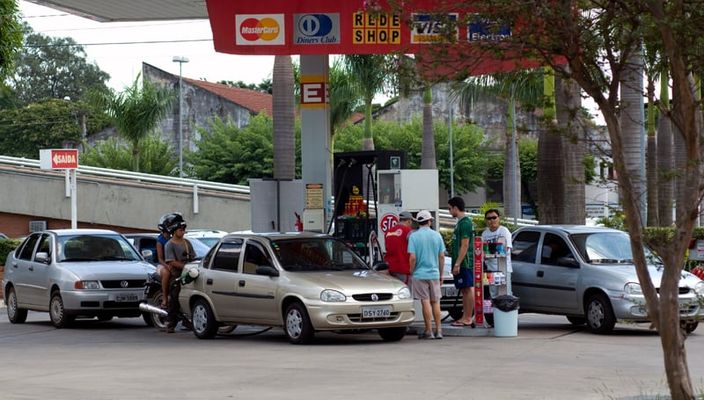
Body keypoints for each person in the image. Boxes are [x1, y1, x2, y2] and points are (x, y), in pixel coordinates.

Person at [408, 210, 445, 339]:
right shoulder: (437, 235)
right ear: (430, 221)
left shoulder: (413, 236)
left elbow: (412, 257)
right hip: (434, 273)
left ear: (418, 222)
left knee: (425, 301)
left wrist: (411, 271)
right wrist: (441, 274)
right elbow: (441, 256)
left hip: (419, 274)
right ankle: (439, 330)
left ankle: (428, 331)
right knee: (436, 302)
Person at [163, 214, 195, 333]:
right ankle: (170, 323)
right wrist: (186, 266)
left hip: (188, 274)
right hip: (176, 275)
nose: (183, 232)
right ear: (174, 231)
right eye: (181, 230)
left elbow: (193, 257)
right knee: (175, 297)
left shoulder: (187, 243)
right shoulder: (169, 245)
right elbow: (171, 261)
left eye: (184, 230)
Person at [448, 196, 475, 328]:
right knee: (464, 290)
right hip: (460, 263)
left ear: (455, 208)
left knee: (467, 289)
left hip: (465, 263)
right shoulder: (460, 222)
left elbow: (465, 245)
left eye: (449, 208)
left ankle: (468, 317)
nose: (449, 211)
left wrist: (458, 263)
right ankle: (465, 316)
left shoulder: (465, 223)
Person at [481, 209, 513, 295]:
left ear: (499, 218)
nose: (492, 220)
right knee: (493, 294)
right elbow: (482, 252)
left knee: (506, 294)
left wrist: (489, 252)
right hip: (491, 270)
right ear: (486, 220)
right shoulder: (484, 234)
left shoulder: (504, 231)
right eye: (489, 218)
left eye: (494, 217)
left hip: (504, 269)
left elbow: (506, 250)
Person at [384, 211, 414, 285]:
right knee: (405, 293)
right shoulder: (408, 231)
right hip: (403, 268)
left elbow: (387, 248)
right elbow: (414, 250)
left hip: (390, 268)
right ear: (409, 221)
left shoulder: (388, 232)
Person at [156, 213, 175, 308]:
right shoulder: (160, 240)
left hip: (173, 263)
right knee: (167, 273)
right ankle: (165, 298)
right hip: (163, 265)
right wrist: (167, 266)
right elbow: (160, 259)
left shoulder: (174, 238)